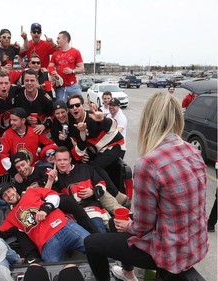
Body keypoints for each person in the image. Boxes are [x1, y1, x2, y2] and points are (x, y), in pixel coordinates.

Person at [84, 92, 208, 281]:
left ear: (148, 121)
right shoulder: (193, 151)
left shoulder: (148, 164)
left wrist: (128, 225)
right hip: (195, 244)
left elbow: (142, 227)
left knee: (91, 242)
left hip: (168, 252)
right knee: (111, 223)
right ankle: (128, 273)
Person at [0, 182, 90, 262]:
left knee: (95, 245)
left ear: (14, 189)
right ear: (3, 200)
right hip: (47, 244)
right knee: (50, 273)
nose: (8, 195)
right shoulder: (11, 217)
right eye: (4, 195)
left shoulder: (30, 192)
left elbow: (53, 195)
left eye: (8, 191)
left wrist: (45, 209)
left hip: (63, 226)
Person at [45, 146, 125, 228]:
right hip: (74, 217)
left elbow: (101, 183)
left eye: (65, 159)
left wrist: (92, 191)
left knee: (106, 228)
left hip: (93, 209)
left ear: (70, 160)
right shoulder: (54, 177)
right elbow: (45, 195)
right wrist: (50, 180)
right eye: (59, 160)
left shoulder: (85, 168)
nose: (62, 163)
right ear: (55, 161)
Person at [0, 107, 53, 176]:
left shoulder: (34, 131)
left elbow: (50, 144)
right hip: (19, 169)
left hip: (35, 165)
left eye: (14, 120)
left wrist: (47, 154)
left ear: (23, 120)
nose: (11, 122)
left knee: (49, 169)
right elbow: (3, 155)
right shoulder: (7, 134)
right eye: (11, 120)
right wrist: (14, 173)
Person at [49, 31, 84, 102]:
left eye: (58, 38)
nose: (56, 40)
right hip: (60, 87)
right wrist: (53, 72)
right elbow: (50, 66)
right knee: (61, 107)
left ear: (65, 39)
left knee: (78, 104)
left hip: (73, 86)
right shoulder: (55, 54)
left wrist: (72, 71)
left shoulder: (75, 52)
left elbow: (82, 69)